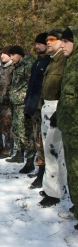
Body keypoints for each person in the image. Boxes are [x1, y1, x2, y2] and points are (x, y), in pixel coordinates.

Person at [38, 29, 67, 208]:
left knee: (55, 151)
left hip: (56, 107)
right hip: (47, 107)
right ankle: (50, 188)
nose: (48, 42)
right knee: (48, 151)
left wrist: (60, 109)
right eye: (47, 40)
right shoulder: (52, 61)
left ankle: (56, 192)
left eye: (52, 39)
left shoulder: (64, 61)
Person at [57, 26, 78, 232]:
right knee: (73, 171)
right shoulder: (70, 62)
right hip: (69, 127)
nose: (61, 45)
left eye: (66, 41)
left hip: (76, 128)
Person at [24, 33, 51, 185]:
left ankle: (43, 175)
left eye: (39, 44)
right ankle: (40, 171)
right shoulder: (37, 63)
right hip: (34, 107)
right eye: (36, 44)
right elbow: (31, 87)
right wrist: (28, 105)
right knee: (37, 141)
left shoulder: (50, 62)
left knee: (43, 143)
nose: (37, 46)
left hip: (44, 108)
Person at [5, 46, 34, 165]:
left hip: (23, 103)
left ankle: (30, 158)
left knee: (25, 131)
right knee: (16, 129)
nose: (11, 58)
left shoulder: (28, 65)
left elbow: (32, 84)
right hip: (15, 102)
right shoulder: (17, 66)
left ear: (19, 54)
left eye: (12, 55)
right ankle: (19, 153)